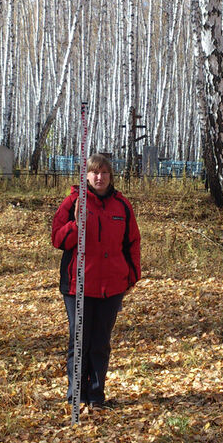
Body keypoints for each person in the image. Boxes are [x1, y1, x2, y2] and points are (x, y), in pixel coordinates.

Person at [50, 154, 140, 410]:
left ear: (110, 176)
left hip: (111, 286)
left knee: (100, 343)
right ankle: (75, 396)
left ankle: (96, 396)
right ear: (86, 176)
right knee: (79, 341)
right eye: (94, 173)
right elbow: (57, 239)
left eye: (104, 173)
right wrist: (75, 226)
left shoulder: (122, 205)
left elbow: (133, 242)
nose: (99, 177)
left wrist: (131, 276)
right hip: (78, 285)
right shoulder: (73, 202)